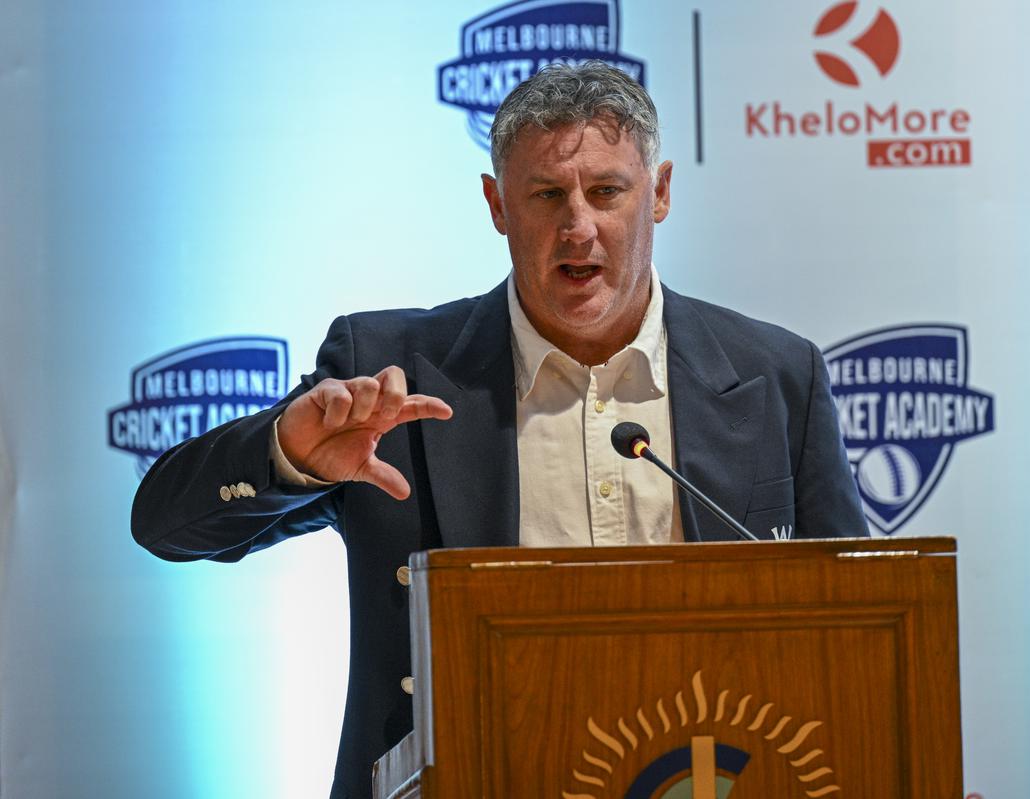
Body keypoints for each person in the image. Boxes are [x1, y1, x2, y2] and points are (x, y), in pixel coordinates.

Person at [132, 61, 868, 799]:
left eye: (607, 192)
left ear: (661, 192)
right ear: (496, 204)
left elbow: (856, 634)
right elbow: (165, 521)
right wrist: (291, 456)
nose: (578, 226)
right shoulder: (392, 377)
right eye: (547, 194)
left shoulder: (776, 375)